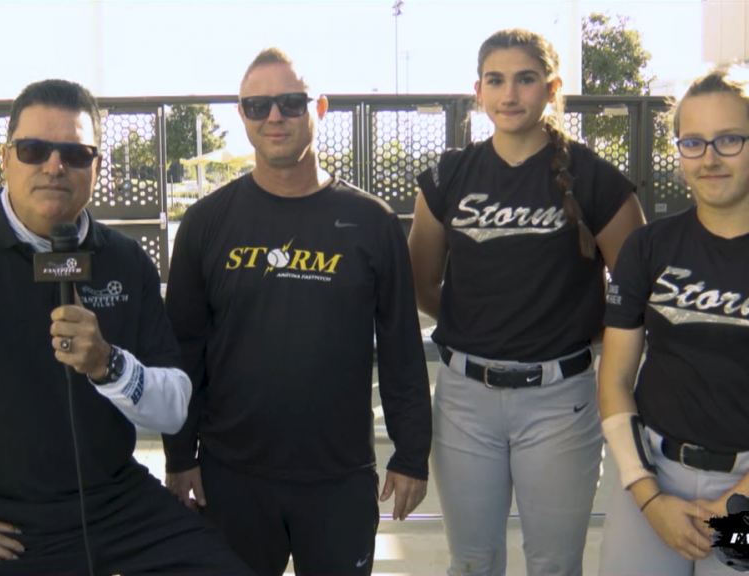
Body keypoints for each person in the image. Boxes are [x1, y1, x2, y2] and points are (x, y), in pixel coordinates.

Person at [162, 48, 433, 576]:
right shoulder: (205, 223)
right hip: (231, 477)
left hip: (338, 479)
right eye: (257, 105)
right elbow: (184, 349)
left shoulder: (372, 222)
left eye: (290, 102)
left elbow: (401, 348)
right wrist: (179, 456)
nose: (274, 117)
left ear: (319, 108)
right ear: (242, 116)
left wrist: (411, 454)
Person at [0, 79, 253, 576]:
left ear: (96, 167)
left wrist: (108, 365)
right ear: (5, 158)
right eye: (34, 150)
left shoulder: (125, 260)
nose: (54, 167)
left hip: (116, 503)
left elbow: (174, 406)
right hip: (6, 520)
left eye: (75, 154)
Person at [408, 29, 645, 576]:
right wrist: (484, 324)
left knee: (554, 564)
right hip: (465, 398)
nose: (509, 94)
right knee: (472, 561)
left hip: (561, 399)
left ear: (552, 88)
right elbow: (422, 283)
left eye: (525, 79)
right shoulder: (448, 176)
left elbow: (636, 295)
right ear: (478, 91)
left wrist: (574, 333)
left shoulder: (596, 179)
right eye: (495, 80)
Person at [598, 66, 749, 575]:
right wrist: (647, 496)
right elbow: (615, 380)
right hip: (653, 476)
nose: (710, 158)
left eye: (729, 140)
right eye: (693, 142)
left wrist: (735, 508)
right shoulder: (648, 247)